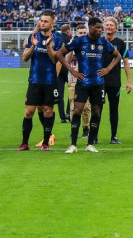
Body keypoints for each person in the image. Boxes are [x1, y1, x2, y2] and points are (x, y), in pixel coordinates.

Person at [56, 17, 121, 154]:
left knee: (96, 112)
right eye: (97, 27)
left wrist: (108, 69)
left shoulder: (103, 42)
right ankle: (73, 144)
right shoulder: (79, 41)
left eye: (101, 28)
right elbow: (60, 53)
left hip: (98, 84)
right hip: (83, 82)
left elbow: (118, 56)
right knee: (77, 111)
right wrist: (72, 70)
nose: (100, 30)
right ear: (90, 27)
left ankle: (90, 143)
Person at [18, 11, 63, 152]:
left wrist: (49, 45)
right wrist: (33, 46)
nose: (42, 23)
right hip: (35, 80)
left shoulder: (58, 38)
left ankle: (46, 143)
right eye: (41, 21)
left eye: (45, 21)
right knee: (29, 111)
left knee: (48, 111)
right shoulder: (33, 36)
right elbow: (24, 58)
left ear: (52, 23)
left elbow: (55, 59)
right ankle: (24, 143)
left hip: (50, 81)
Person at [102, 17, 132, 145]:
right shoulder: (98, 41)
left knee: (114, 109)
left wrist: (129, 81)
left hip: (114, 82)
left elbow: (126, 62)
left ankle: (113, 136)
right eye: (107, 25)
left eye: (111, 25)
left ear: (115, 28)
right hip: (99, 82)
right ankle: (94, 136)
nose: (109, 27)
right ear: (104, 27)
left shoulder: (120, 43)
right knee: (96, 108)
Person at [66, 25, 92, 140]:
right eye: (80, 33)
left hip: (87, 79)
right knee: (73, 106)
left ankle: (86, 128)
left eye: (84, 33)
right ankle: (73, 129)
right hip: (73, 79)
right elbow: (66, 60)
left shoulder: (90, 46)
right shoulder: (72, 45)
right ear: (76, 34)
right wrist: (71, 46)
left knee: (86, 107)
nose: (82, 34)